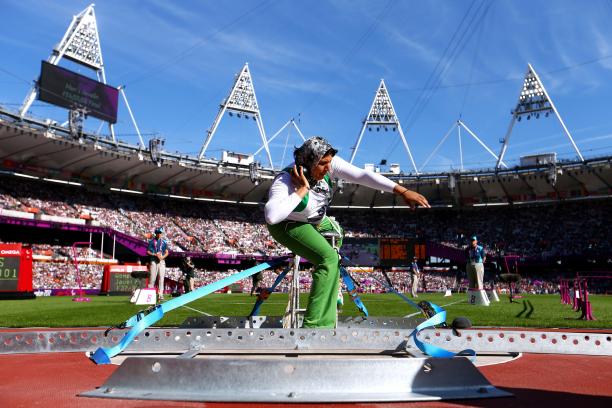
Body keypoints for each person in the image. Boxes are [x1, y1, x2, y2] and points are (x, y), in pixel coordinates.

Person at [265, 136, 430, 328]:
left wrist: (401, 191)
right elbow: (271, 216)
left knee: (338, 231)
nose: (328, 167)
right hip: (288, 223)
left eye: (329, 162)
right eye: (322, 164)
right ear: (308, 162)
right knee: (328, 259)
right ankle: (315, 328)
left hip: (316, 220)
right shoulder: (285, 180)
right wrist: (302, 189)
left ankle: (331, 285)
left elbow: (362, 175)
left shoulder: (329, 165)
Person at [147, 227, 169, 300]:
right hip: (154, 260)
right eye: (158, 233)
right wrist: (155, 254)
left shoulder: (164, 242)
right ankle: (150, 294)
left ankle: (160, 294)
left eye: (160, 233)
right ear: (156, 233)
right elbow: (148, 251)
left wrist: (162, 257)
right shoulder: (151, 241)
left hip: (161, 261)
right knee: (152, 278)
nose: (159, 234)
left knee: (161, 278)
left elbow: (167, 252)